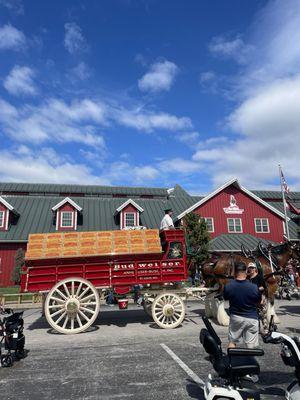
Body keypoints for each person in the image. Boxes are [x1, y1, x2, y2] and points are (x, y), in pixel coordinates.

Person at [223, 262, 261, 349]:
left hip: (236, 317)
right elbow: (259, 302)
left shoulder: (229, 286)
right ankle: (249, 360)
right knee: (250, 345)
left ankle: (231, 361)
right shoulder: (254, 287)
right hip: (252, 317)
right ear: (246, 271)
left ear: (235, 272)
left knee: (232, 342)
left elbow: (225, 297)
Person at [247, 262, 268, 333]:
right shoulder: (248, 278)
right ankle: (256, 329)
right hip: (251, 299)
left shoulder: (259, 277)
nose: (251, 269)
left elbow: (264, 287)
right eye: (250, 268)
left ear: (255, 269)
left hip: (260, 297)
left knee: (262, 314)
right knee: (254, 315)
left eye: (252, 268)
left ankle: (265, 329)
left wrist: (256, 289)